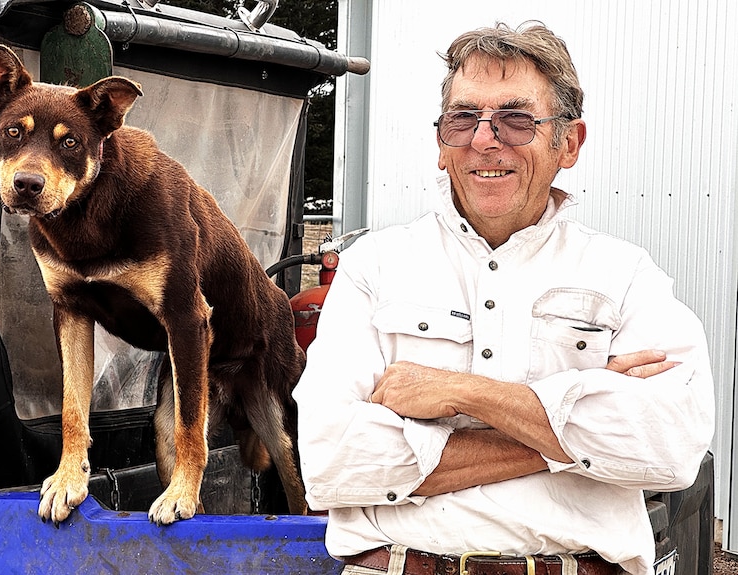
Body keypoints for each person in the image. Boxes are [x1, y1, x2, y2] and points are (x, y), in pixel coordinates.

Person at [292, 22, 715, 575]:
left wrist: (456, 392)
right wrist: (576, 429)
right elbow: (330, 463)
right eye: (463, 119)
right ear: (441, 144)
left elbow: (670, 446)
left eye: (516, 120)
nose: (485, 139)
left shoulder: (625, 274)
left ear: (568, 143)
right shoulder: (374, 266)